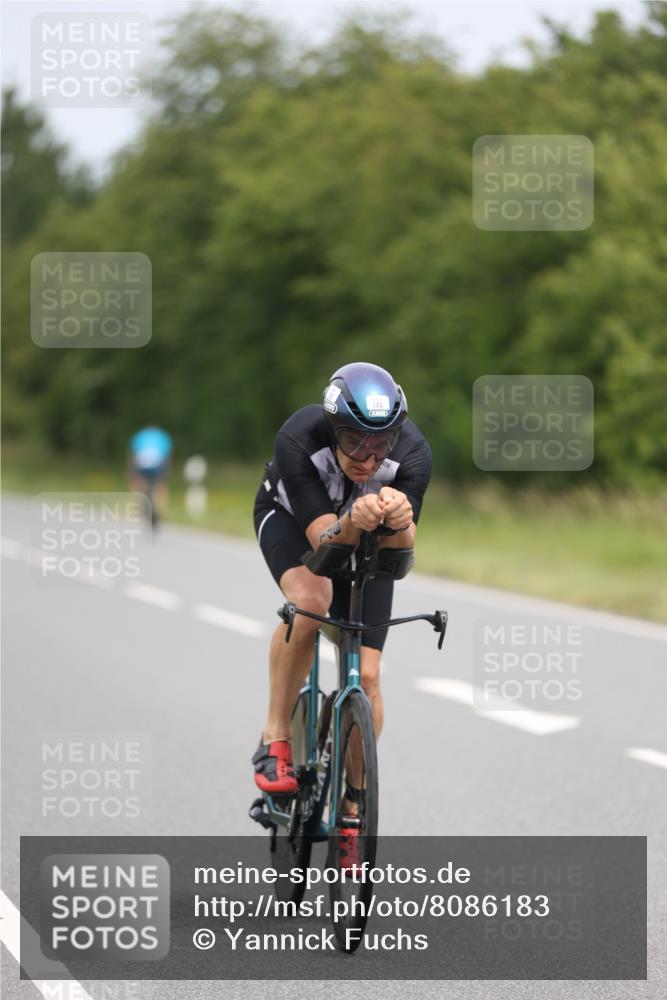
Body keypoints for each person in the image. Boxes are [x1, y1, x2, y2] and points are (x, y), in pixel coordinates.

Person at [252, 363, 432, 818]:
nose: (368, 459)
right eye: (354, 442)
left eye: (380, 444)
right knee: (312, 602)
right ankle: (275, 736)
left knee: (368, 677)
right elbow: (321, 546)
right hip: (293, 520)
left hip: (366, 540)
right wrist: (352, 519)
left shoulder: (413, 456)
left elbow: (399, 559)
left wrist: (401, 520)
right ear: (333, 429)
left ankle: (354, 802)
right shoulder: (300, 436)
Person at [128, 426, 173, 525]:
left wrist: (131, 473)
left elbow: (133, 455)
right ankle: (161, 510)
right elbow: (166, 457)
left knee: (137, 483)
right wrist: (166, 474)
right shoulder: (163, 437)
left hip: (141, 462)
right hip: (158, 463)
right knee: (160, 486)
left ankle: (136, 507)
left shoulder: (139, 436)